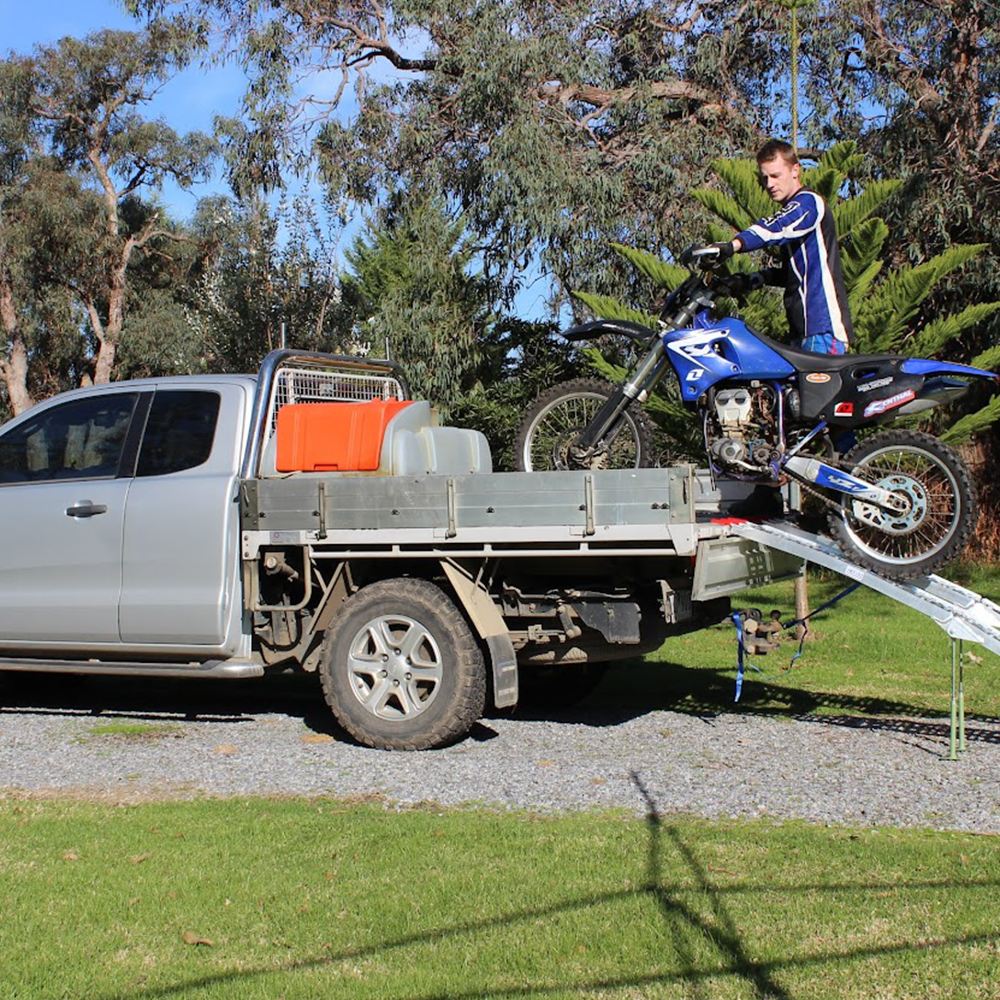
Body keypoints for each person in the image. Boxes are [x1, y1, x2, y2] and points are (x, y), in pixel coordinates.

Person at [706, 138, 854, 355]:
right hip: (803, 332)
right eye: (765, 177)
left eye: (776, 176)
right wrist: (748, 280)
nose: (769, 184)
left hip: (821, 328)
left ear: (795, 170)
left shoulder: (808, 202)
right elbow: (793, 274)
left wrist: (732, 246)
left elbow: (778, 226)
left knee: (812, 390)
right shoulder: (800, 210)